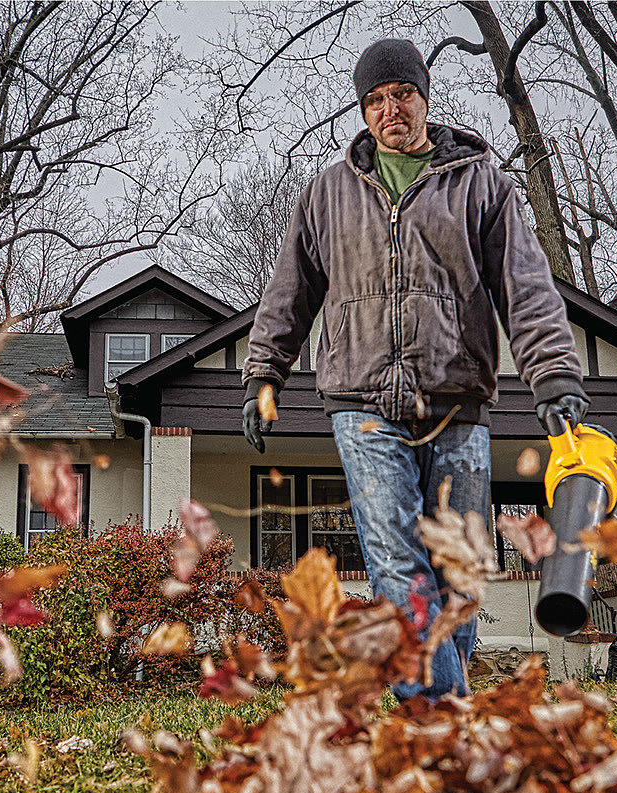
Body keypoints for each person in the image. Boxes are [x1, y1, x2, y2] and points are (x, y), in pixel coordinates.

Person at [241, 38, 588, 701]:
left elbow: (527, 289)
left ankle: (440, 695)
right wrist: (263, 374)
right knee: (399, 566)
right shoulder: (327, 193)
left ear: (424, 97)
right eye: (373, 99)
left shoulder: (481, 183)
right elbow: (289, 292)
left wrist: (554, 376)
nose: (388, 109)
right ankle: (439, 718)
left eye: (400, 94)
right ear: (362, 110)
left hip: (457, 402)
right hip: (361, 403)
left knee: (456, 575)